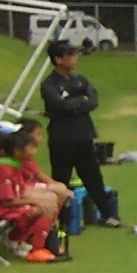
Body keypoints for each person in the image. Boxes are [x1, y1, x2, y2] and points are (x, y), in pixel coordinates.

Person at [38, 41, 119, 227]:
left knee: (93, 176)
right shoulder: (49, 84)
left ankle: (107, 215)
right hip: (62, 138)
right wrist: (79, 101)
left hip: (84, 134)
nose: (75, 59)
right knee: (61, 178)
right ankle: (60, 219)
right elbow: (61, 106)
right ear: (58, 60)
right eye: (70, 55)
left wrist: (76, 102)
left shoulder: (80, 79)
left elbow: (93, 101)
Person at [0, 126, 65, 261]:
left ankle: (33, 243)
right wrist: (36, 201)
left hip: (6, 205)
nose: (34, 151)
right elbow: (6, 201)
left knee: (49, 203)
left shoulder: (14, 164)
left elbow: (18, 192)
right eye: (31, 148)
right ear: (17, 151)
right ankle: (25, 243)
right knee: (45, 208)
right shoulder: (5, 170)